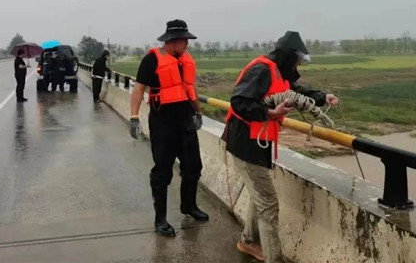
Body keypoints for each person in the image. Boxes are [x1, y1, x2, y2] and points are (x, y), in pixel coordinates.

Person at [223, 31, 339, 262]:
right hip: (245, 143)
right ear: (288, 56)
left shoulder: (279, 72)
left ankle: (248, 241)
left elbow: (295, 91)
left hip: (258, 143)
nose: (298, 64)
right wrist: (269, 112)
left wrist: (322, 97)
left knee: (260, 196)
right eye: (297, 59)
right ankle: (273, 258)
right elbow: (239, 102)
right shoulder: (262, 69)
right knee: (268, 203)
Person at [129, 19, 209, 237]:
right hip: (163, 123)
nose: (187, 44)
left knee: (193, 167)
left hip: (186, 121)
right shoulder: (152, 60)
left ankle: (189, 206)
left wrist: (198, 112)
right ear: (173, 40)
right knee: (162, 172)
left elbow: (190, 88)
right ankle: (161, 219)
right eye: (185, 40)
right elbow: (138, 90)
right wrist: (134, 117)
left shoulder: (185, 60)